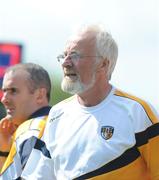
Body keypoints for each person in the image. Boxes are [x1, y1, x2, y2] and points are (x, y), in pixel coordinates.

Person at [22, 24, 159, 180]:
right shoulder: (57, 114)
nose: (65, 63)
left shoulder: (137, 112)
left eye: (74, 55)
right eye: (64, 55)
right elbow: (41, 176)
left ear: (103, 64)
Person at [0, 63, 52, 179]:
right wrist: (5, 150)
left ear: (40, 95)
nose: (4, 99)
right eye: (4, 91)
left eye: (13, 91)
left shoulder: (33, 129)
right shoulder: (60, 123)